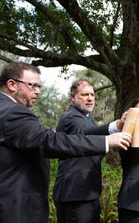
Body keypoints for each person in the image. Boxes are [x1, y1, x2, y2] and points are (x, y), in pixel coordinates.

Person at [0, 62, 131, 223]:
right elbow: (49, 141)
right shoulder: (11, 112)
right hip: (6, 210)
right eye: (32, 85)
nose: (37, 92)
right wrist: (106, 140)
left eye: (39, 86)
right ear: (12, 84)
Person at [53, 79, 120, 223]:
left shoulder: (86, 118)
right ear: (73, 97)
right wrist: (117, 125)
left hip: (88, 192)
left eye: (92, 95)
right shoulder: (70, 118)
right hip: (74, 196)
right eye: (84, 95)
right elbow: (87, 134)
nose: (90, 98)